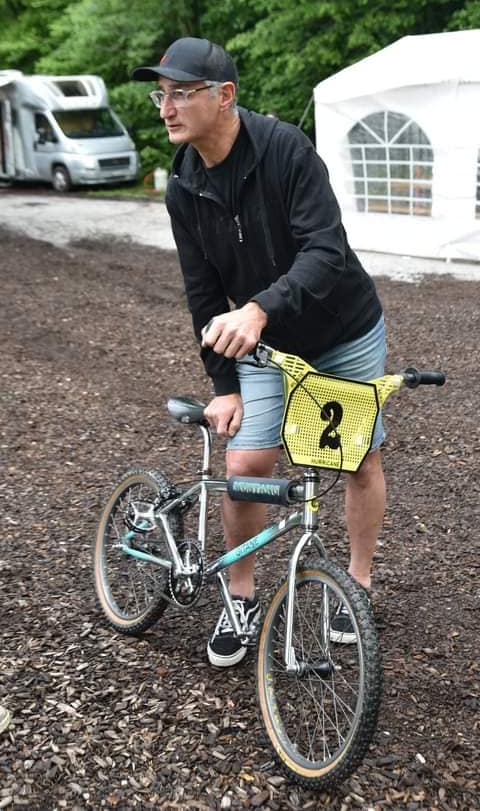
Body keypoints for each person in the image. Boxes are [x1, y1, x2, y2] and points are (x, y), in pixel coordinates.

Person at [133, 37, 387, 668]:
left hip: (342, 329)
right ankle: (240, 595)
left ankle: (356, 584)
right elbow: (202, 290)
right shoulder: (183, 183)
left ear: (225, 96)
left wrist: (259, 307)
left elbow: (326, 249)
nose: (167, 108)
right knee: (247, 463)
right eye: (161, 95)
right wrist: (224, 384)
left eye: (182, 93)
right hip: (265, 342)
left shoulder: (285, 150)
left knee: (356, 459)